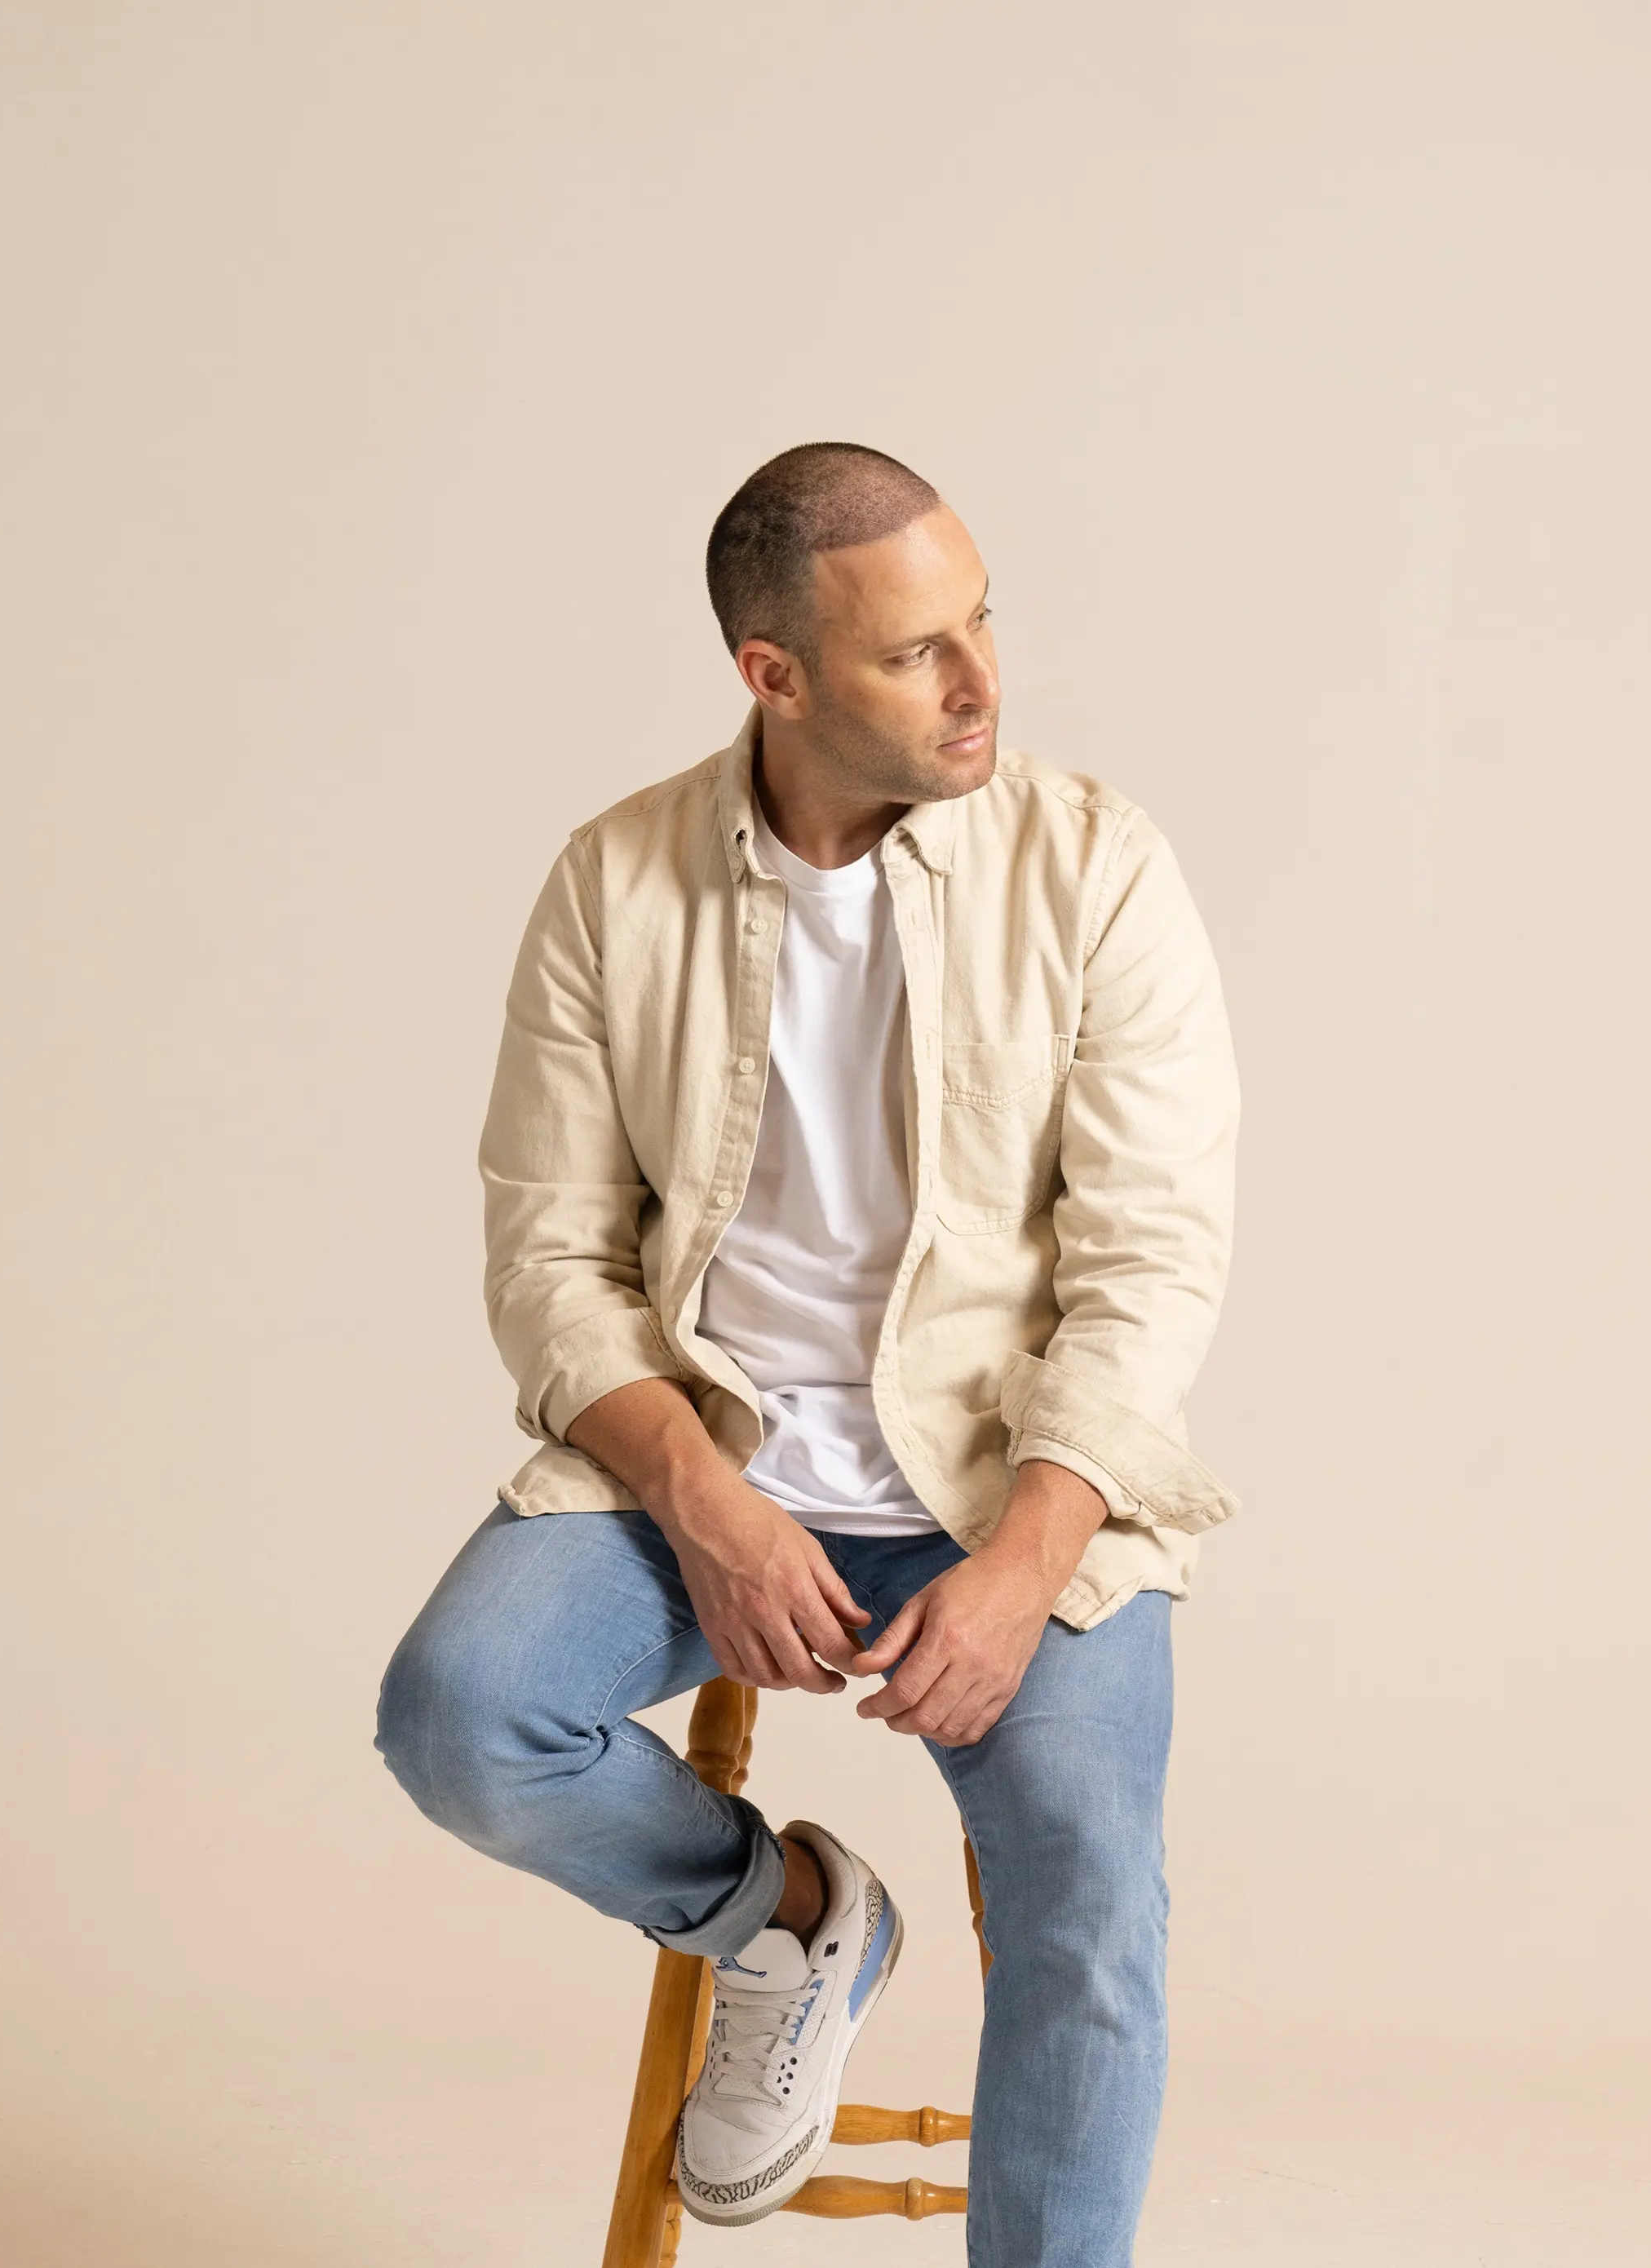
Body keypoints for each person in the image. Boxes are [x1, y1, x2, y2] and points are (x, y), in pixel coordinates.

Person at [374, 442, 1240, 2264]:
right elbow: (548, 1259)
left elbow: (1149, 1264)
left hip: (1008, 1490)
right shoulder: (613, 883)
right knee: (459, 1715)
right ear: (771, 673)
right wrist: (705, 1502)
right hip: (706, 1463)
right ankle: (783, 1920)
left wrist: (1027, 1563)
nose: (981, 679)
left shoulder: (1094, 866)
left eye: (982, 619)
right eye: (916, 650)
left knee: (1090, 1895)